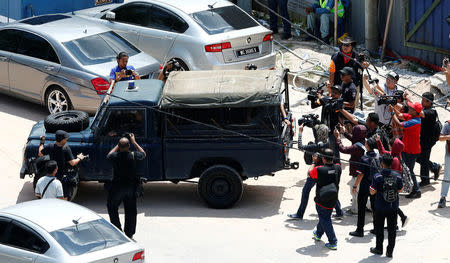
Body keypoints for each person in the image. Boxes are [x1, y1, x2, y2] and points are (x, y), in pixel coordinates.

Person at [107, 133, 146, 239]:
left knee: (112, 207)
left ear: (119, 147)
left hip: (117, 187)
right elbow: (143, 153)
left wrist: (118, 144)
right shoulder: (134, 155)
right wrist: (134, 142)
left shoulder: (115, 156)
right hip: (131, 188)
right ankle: (129, 234)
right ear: (129, 146)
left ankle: (117, 229)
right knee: (131, 210)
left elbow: (109, 155)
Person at [288, 124, 329, 220]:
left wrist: (300, 133)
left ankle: (299, 214)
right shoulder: (327, 142)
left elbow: (300, 146)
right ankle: (339, 212)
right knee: (328, 190)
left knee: (305, 191)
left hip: (316, 172)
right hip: (326, 171)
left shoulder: (316, 146)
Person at [369, 154, 403, 258]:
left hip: (380, 207)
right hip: (393, 207)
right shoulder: (397, 175)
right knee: (392, 230)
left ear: (382, 163)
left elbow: (372, 192)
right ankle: (390, 252)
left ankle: (379, 249)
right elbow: (400, 189)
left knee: (379, 229)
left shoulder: (377, 176)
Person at [38, 130, 85, 199]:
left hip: (52, 175)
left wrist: (42, 143)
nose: (67, 139)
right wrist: (79, 158)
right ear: (62, 140)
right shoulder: (66, 148)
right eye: (65, 138)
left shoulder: (50, 146)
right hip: (62, 176)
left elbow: (40, 153)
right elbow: (72, 163)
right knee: (64, 196)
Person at [375, 135, 409, 227]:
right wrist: (379, 141)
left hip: (392, 185)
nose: (389, 147)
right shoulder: (396, 155)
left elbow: (391, 173)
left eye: (391, 145)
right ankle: (398, 222)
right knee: (392, 202)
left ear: (393, 147)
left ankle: (401, 219)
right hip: (394, 185)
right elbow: (383, 151)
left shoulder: (394, 160)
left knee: (391, 203)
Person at [390, 101, 422, 199]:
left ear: (415, 112)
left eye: (411, 108)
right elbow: (399, 115)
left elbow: (399, 124)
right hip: (407, 148)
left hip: (411, 150)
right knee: (406, 169)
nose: (409, 108)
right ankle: (411, 187)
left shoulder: (415, 121)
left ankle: (416, 190)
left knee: (409, 170)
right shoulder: (411, 117)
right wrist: (392, 108)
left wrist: (392, 113)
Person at [312, 148, 341, 250]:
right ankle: (318, 233)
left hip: (321, 200)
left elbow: (309, 173)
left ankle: (333, 241)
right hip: (333, 198)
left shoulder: (318, 169)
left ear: (323, 159)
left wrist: (314, 162)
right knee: (324, 217)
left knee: (325, 219)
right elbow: (335, 164)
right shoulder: (338, 168)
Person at [349, 137, 379, 237]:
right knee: (375, 208)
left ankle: (360, 230)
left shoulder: (364, 158)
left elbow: (360, 175)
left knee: (361, 208)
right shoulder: (378, 157)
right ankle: (376, 228)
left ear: (368, 146)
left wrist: (355, 185)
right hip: (375, 186)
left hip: (365, 186)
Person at [335, 124, 366, 215]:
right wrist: (344, 133)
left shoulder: (357, 147)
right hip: (362, 172)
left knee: (354, 192)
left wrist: (338, 138)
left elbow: (343, 149)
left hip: (357, 173)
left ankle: (355, 210)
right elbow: (354, 139)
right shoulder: (363, 141)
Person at [414, 92, 441, 186]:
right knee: (418, 157)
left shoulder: (431, 111)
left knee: (423, 159)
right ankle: (434, 167)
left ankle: (425, 180)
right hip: (423, 138)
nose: (421, 102)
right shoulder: (426, 108)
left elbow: (421, 114)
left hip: (428, 140)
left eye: (423, 100)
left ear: (429, 102)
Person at [311, 85, 343, 159]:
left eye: (335, 92)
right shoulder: (326, 99)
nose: (333, 93)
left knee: (334, 149)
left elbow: (330, 108)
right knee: (321, 147)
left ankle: (337, 165)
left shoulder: (339, 103)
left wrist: (320, 98)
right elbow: (314, 105)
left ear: (339, 94)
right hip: (324, 129)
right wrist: (313, 98)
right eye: (332, 91)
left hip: (333, 130)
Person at [438, 120, 450, 208]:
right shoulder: (448, 124)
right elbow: (441, 138)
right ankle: (443, 197)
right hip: (449, 155)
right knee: (447, 176)